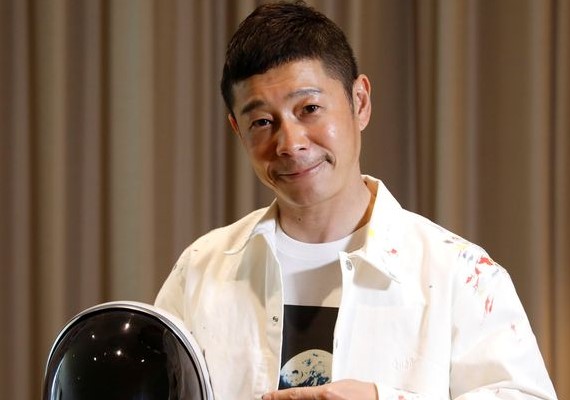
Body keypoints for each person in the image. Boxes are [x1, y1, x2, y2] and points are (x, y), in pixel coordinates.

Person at [155, 1, 557, 399]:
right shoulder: (200, 269)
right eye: (262, 122)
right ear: (237, 130)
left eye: (309, 109)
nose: (290, 144)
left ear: (359, 102)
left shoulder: (461, 274)